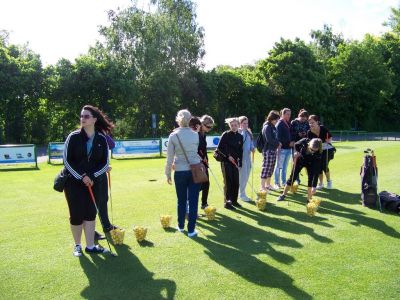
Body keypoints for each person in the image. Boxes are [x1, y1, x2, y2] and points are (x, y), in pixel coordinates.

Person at [63, 105, 112, 257]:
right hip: (73, 183)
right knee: (76, 215)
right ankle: (77, 246)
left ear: (94, 120)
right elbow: (66, 161)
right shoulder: (73, 137)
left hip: (93, 183)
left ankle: (90, 246)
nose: (82, 119)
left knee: (91, 214)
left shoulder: (101, 139)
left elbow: (104, 164)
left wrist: (91, 176)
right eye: (81, 116)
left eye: (86, 116)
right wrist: (82, 177)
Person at [165, 109, 201, 237]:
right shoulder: (195, 134)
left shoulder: (173, 136)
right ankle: (191, 230)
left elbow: (169, 158)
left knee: (181, 201)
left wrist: (167, 173)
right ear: (190, 119)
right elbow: (194, 151)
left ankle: (181, 226)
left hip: (180, 171)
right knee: (193, 201)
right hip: (194, 170)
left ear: (178, 119)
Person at [277, 138, 322, 202]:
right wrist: (297, 152)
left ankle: (309, 199)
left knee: (311, 180)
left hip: (311, 163)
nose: (312, 152)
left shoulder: (318, 154)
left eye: (315, 151)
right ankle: (283, 195)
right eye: (311, 149)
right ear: (309, 145)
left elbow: (316, 172)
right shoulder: (304, 141)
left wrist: (314, 187)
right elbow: (296, 145)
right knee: (292, 177)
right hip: (300, 160)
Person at [216, 118, 243, 210]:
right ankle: (227, 202)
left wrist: (240, 162)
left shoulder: (240, 136)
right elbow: (219, 149)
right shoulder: (225, 135)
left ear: (238, 125)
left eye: (235, 125)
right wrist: (228, 156)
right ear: (229, 126)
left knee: (236, 182)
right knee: (228, 182)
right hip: (226, 162)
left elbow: (240, 151)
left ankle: (234, 201)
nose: (234, 127)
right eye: (232, 125)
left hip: (235, 162)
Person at [307, 115, 333, 189]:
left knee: (324, 166)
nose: (311, 124)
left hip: (327, 149)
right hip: (317, 150)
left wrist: (328, 140)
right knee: (318, 167)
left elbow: (330, 137)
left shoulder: (323, 128)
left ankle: (329, 182)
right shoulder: (309, 132)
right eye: (310, 123)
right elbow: (310, 143)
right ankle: (321, 184)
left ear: (317, 122)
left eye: (312, 122)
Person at [260, 110, 281, 191]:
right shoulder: (267, 127)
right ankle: (262, 187)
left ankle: (268, 185)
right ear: (272, 119)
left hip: (273, 150)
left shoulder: (273, 126)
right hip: (268, 150)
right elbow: (269, 140)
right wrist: (278, 143)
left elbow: (275, 138)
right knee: (266, 168)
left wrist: (278, 143)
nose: (277, 121)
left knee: (271, 168)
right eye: (276, 119)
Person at [273, 108, 294, 189]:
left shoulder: (288, 123)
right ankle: (276, 183)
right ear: (283, 114)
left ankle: (284, 182)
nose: (289, 116)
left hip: (288, 149)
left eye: (290, 114)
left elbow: (290, 135)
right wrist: (288, 143)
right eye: (287, 114)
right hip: (281, 149)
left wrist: (291, 141)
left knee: (285, 167)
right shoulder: (279, 123)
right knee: (278, 166)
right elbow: (278, 138)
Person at [197, 115, 215, 209]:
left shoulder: (204, 134)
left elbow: (203, 149)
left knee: (206, 183)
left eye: (211, 127)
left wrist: (206, 159)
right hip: (197, 163)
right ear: (202, 124)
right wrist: (201, 157)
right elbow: (196, 149)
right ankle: (190, 204)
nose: (209, 129)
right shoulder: (196, 134)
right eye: (208, 126)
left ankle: (204, 204)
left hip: (204, 162)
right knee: (198, 185)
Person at [238, 116, 255, 202]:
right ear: (240, 124)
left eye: (247, 123)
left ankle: (241, 193)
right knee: (243, 176)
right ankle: (242, 194)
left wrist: (252, 148)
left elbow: (251, 143)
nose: (245, 125)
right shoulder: (239, 132)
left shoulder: (248, 132)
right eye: (244, 123)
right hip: (241, 158)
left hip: (247, 158)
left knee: (246, 175)